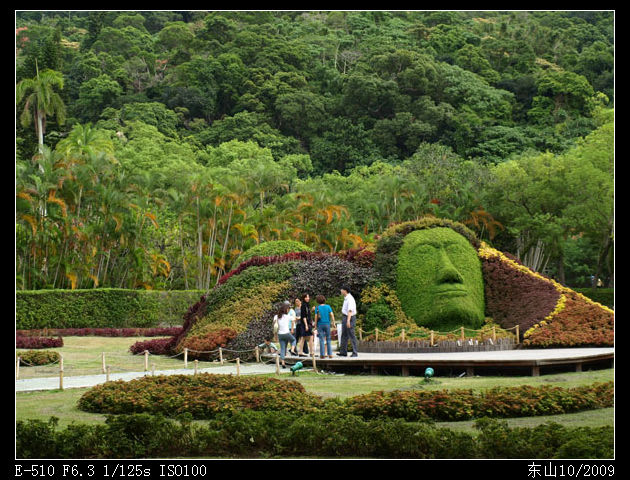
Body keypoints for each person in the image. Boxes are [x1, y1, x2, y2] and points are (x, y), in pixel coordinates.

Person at [337, 286, 358, 357]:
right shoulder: (345, 298)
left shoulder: (350, 299)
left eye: (342, 289)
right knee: (344, 335)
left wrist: (348, 321)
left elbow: (350, 310)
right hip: (345, 317)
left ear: (345, 291)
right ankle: (343, 352)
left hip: (350, 317)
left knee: (351, 334)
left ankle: (355, 352)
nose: (341, 290)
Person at [275, 303, 296, 369]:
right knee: (293, 340)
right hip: (286, 333)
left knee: (283, 348)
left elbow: (274, 325)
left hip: (280, 334)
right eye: (288, 309)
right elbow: (294, 319)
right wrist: (292, 329)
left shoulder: (276, 316)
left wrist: (275, 335)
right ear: (286, 310)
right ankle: (292, 350)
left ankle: (283, 363)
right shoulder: (287, 316)